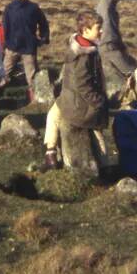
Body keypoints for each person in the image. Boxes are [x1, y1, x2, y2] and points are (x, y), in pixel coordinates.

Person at [44, 11, 108, 170]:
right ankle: (104, 163)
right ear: (85, 31)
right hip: (80, 105)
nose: (101, 31)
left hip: (71, 99)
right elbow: (83, 85)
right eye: (97, 28)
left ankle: (50, 153)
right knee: (96, 129)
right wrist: (98, 102)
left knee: (53, 115)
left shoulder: (77, 48)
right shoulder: (85, 55)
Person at [1, 0, 50, 97]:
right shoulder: (9, 8)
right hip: (12, 47)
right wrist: (5, 44)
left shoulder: (33, 8)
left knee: (32, 77)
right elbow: (4, 28)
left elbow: (43, 23)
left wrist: (43, 39)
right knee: (3, 75)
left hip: (29, 48)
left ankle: (36, 101)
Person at [94, 0, 137, 92]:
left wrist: (122, 46)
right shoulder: (105, 6)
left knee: (128, 69)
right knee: (132, 69)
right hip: (108, 47)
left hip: (112, 45)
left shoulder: (111, 11)